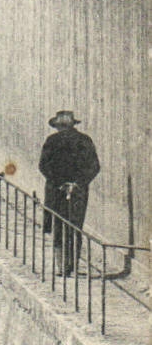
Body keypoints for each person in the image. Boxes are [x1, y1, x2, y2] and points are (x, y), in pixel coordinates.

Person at [39, 110, 100, 277]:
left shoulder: (51, 141)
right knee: (75, 226)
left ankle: (61, 266)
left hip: (56, 191)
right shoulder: (85, 140)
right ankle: (71, 265)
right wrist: (77, 183)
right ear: (73, 125)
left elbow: (43, 165)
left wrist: (59, 183)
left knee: (58, 225)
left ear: (58, 126)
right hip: (78, 192)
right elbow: (94, 167)